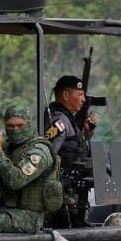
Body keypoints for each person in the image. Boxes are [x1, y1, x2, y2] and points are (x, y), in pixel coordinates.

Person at [0, 105, 59, 234]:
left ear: (29, 124)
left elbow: (16, 180)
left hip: (30, 217)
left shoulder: (39, 151)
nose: (15, 129)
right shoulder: (9, 149)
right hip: (7, 210)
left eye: (20, 125)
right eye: (10, 126)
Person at [44, 75, 97, 228]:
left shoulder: (69, 121)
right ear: (66, 95)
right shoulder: (58, 122)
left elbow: (76, 150)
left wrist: (87, 134)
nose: (83, 100)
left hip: (73, 196)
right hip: (61, 201)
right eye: (80, 95)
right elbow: (47, 155)